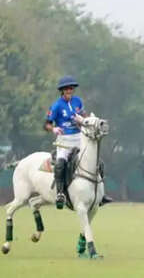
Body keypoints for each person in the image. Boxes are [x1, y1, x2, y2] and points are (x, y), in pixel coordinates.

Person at [45, 76, 85, 209]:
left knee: (94, 158)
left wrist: (83, 120)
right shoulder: (56, 106)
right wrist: (54, 128)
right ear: (62, 90)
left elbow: (84, 116)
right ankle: (60, 193)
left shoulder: (78, 101)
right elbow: (47, 125)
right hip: (64, 141)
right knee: (61, 163)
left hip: (79, 138)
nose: (69, 90)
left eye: (71, 88)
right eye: (66, 88)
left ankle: (100, 193)